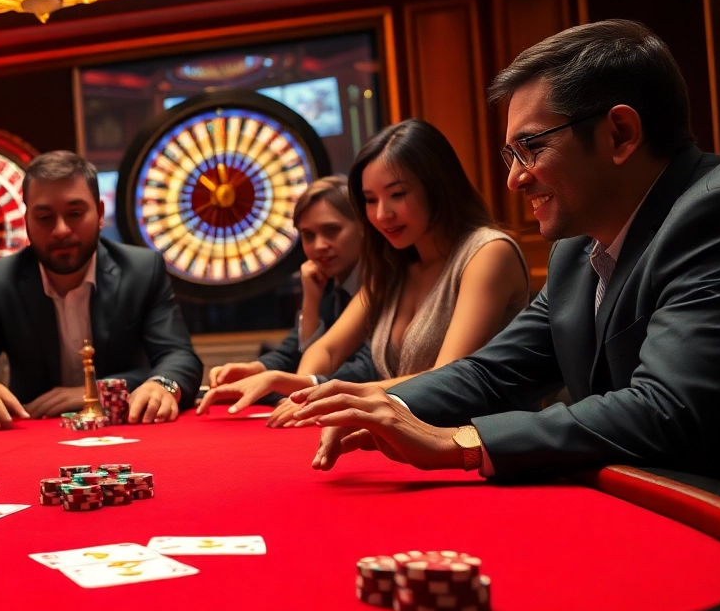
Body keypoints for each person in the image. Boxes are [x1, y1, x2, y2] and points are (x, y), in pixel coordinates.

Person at [291, 19, 720, 481]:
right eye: (510, 154)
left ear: (619, 133)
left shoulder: (709, 214)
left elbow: (666, 409)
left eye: (531, 147)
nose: (515, 178)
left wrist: (461, 441)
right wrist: (385, 405)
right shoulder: (575, 251)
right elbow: (493, 372)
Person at [199, 119, 529, 425]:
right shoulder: (394, 266)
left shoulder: (487, 253)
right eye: (370, 200)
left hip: (483, 444)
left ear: (438, 186)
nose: (382, 214)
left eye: (397, 194)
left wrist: (327, 394)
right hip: (412, 438)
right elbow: (326, 349)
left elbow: (447, 377)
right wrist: (300, 392)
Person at [0, 150, 203, 429]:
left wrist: (107, 390)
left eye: (74, 213)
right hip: (32, 435)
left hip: (123, 428)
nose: (60, 230)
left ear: (99, 212)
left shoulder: (142, 270)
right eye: (45, 217)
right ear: (27, 221)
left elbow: (179, 358)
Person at [203, 176, 375, 404]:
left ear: (363, 227)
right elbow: (292, 350)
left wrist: (287, 389)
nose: (319, 246)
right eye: (308, 236)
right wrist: (256, 369)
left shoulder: (384, 284)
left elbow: (365, 370)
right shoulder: (323, 280)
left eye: (331, 231)